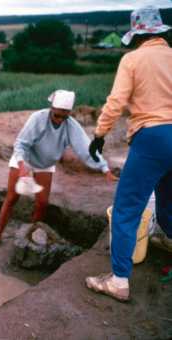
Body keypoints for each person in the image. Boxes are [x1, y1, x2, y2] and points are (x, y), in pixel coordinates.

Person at [85, 6, 172, 302]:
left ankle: (119, 281)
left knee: (126, 209)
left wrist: (99, 134)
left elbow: (116, 101)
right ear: (160, 31)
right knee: (169, 205)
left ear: (136, 35)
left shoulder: (132, 59)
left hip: (152, 137)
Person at [0, 90, 117, 249]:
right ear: (51, 108)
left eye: (64, 117)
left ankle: (30, 234)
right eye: (56, 115)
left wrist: (104, 168)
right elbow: (21, 144)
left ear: (69, 114)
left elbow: (86, 149)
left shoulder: (71, 126)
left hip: (45, 164)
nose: (59, 120)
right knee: (11, 198)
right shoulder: (38, 118)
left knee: (43, 203)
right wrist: (23, 166)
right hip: (24, 159)